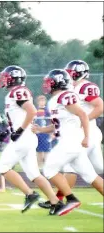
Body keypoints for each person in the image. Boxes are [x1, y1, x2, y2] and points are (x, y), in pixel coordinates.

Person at [0, 65, 74, 216]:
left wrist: (18, 131)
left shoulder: (18, 91)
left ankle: (30, 194)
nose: (3, 80)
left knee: (3, 167)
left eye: (6, 77)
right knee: (34, 174)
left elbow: (31, 111)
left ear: (13, 78)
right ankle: (55, 202)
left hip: (23, 138)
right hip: (27, 137)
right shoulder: (14, 93)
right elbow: (19, 115)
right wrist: (8, 131)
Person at [33, 69, 104, 209]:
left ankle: (71, 199)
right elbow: (57, 125)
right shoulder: (55, 100)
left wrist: (86, 137)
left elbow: (83, 114)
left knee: (49, 169)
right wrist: (40, 129)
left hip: (70, 142)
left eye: (49, 82)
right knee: (92, 177)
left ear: (58, 82)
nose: (47, 85)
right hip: (71, 143)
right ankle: (66, 198)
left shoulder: (65, 96)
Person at [35, 95, 51, 168]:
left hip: (46, 133)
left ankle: (47, 166)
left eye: (43, 101)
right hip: (38, 134)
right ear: (38, 102)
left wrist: (51, 132)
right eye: (40, 101)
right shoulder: (36, 110)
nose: (42, 102)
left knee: (46, 151)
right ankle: (39, 166)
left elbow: (51, 121)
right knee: (39, 151)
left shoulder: (47, 110)